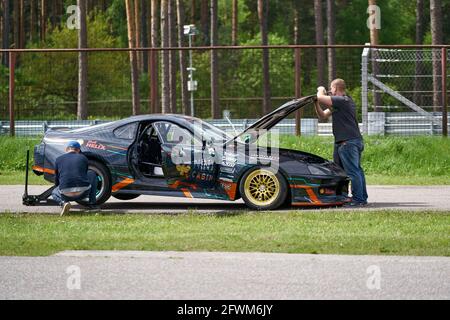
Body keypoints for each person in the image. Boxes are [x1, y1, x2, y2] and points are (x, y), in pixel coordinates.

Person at [314, 78, 368, 206]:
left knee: (353, 172)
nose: (329, 91)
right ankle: (348, 197)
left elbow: (321, 96)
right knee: (346, 172)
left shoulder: (343, 100)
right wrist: (316, 103)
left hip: (348, 142)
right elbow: (322, 115)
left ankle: (359, 199)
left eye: (330, 89)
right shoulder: (340, 104)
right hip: (344, 142)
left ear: (335, 88)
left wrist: (320, 89)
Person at [51, 141, 99, 215]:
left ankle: (63, 203)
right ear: (78, 150)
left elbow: (56, 179)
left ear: (67, 149)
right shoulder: (83, 158)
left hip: (65, 194)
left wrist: (59, 187)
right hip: (83, 193)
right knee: (92, 174)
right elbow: (85, 174)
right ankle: (92, 203)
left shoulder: (58, 159)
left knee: (54, 192)